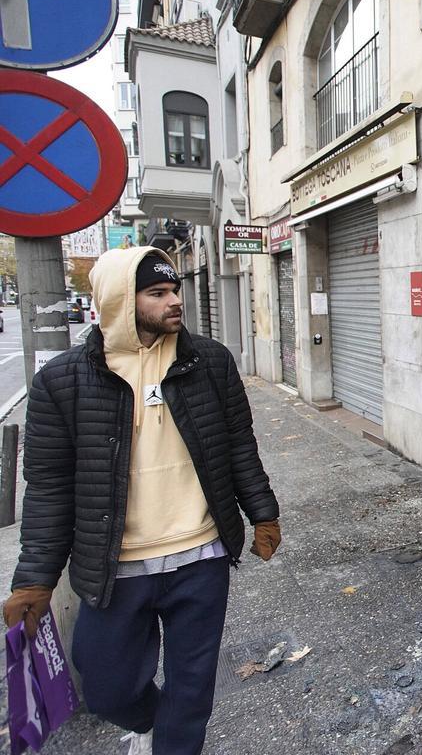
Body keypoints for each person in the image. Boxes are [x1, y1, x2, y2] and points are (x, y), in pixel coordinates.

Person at [3, 247, 281, 755]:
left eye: (175, 290)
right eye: (158, 293)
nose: (175, 301)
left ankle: (174, 739)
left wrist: (262, 511)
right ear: (117, 302)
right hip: (115, 568)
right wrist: (35, 579)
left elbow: (238, 443)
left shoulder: (209, 361)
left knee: (191, 693)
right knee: (107, 688)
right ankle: (155, 723)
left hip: (200, 558)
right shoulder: (61, 382)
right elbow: (47, 487)